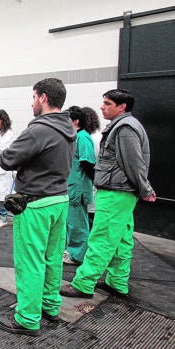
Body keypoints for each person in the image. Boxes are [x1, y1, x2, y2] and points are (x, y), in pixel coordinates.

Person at [0, 78, 76, 336]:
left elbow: (7, 159)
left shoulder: (39, 129)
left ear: (43, 97)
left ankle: (28, 318)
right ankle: (49, 306)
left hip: (36, 204)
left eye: (33, 98)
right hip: (60, 200)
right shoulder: (68, 128)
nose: (31, 103)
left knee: (30, 262)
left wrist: (17, 158)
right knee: (53, 259)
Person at [60, 89, 156, 299]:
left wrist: (145, 188)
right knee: (121, 239)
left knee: (101, 237)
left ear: (121, 107)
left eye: (107, 103)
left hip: (115, 192)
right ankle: (117, 281)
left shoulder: (124, 128)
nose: (101, 107)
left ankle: (83, 284)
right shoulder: (124, 127)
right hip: (121, 193)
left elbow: (133, 163)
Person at [63, 106, 96, 265]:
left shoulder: (83, 137)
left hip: (78, 187)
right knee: (71, 222)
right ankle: (72, 250)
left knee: (78, 224)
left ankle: (78, 255)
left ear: (75, 121)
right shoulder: (74, 136)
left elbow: (88, 162)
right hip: (71, 185)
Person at [82, 106, 101, 228]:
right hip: (97, 187)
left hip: (89, 186)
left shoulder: (88, 139)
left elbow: (87, 164)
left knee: (87, 224)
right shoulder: (100, 136)